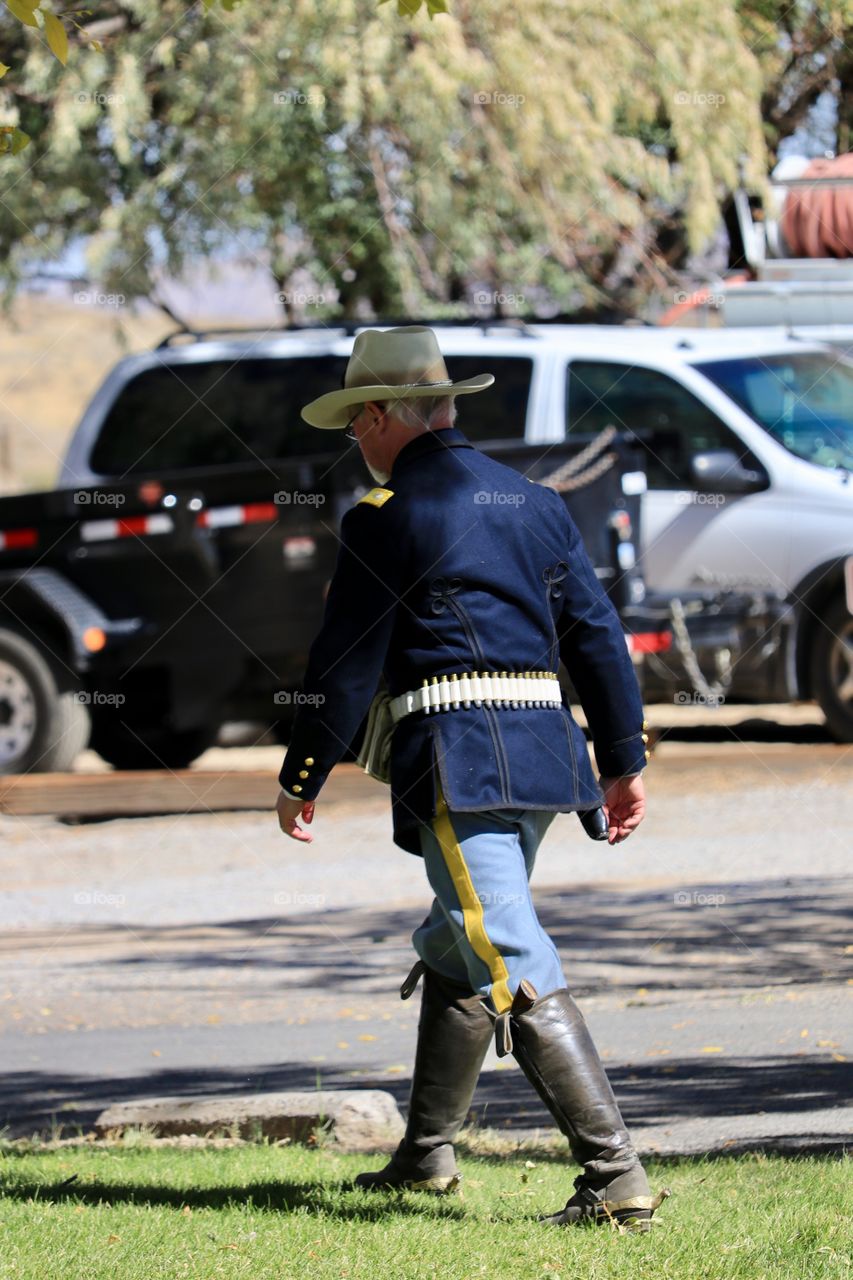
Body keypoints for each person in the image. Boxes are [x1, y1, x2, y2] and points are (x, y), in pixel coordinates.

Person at [276, 325, 667, 1230]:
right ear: (445, 406)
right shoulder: (533, 500)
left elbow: (343, 663)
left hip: (459, 763)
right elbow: (597, 638)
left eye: (353, 425)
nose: (355, 442)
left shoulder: (385, 514)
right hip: (544, 761)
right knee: (458, 946)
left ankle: (614, 1177)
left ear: (378, 415)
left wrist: (304, 770)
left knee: (502, 948)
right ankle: (424, 1156)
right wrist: (622, 762)